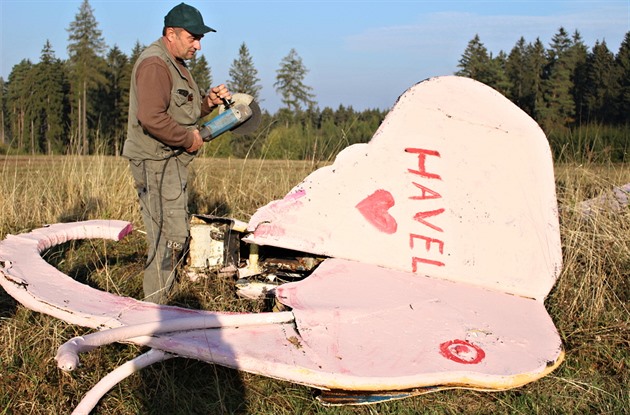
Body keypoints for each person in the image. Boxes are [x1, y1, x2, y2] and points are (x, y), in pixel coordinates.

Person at [123, 2, 231, 304]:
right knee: (167, 239)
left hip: (168, 162)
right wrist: (188, 139)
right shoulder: (155, 65)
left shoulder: (176, 64)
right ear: (171, 33)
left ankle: (162, 308)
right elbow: (151, 118)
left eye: (200, 39)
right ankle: (155, 315)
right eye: (193, 38)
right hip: (155, 163)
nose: (198, 45)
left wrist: (208, 102)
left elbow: (183, 111)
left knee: (173, 236)